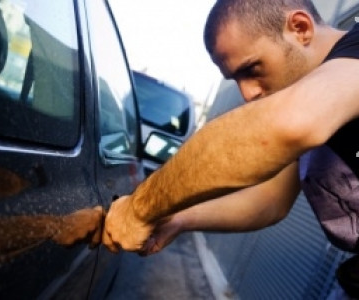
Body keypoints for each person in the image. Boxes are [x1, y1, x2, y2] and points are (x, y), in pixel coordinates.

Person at [103, 0, 359, 296]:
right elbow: (269, 200)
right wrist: (178, 218)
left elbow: (287, 124)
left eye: (252, 69)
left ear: (300, 28)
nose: (248, 93)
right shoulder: (308, 97)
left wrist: (139, 209)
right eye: (236, 79)